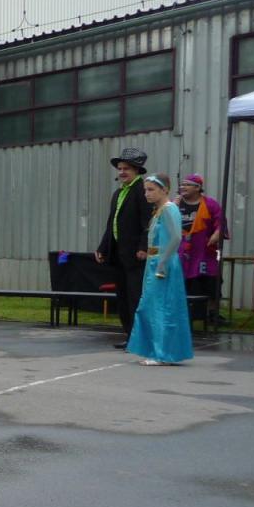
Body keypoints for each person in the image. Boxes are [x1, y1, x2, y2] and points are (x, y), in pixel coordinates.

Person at [128, 174, 194, 366]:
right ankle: (156, 350)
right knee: (150, 306)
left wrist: (163, 263)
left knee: (160, 307)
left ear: (164, 189)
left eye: (151, 189)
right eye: (145, 190)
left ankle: (162, 353)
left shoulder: (168, 209)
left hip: (162, 262)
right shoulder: (159, 210)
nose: (147, 194)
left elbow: (175, 238)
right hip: (154, 261)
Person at [95, 148, 154, 349]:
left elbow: (148, 222)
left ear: (136, 170)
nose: (122, 172)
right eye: (120, 169)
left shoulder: (142, 191)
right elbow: (112, 223)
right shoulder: (119, 193)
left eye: (126, 168)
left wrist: (144, 246)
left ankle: (141, 338)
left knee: (135, 297)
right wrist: (103, 247)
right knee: (123, 297)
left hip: (135, 254)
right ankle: (130, 335)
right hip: (120, 254)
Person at [176, 173, 229, 325]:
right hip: (182, 252)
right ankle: (183, 314)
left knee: (212, 281)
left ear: (198, 187)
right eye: (182, 184)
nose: (183, 187)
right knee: (183, 282)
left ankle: (212, 313)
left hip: (205, 252)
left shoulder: (211, 204)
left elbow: (221, 222)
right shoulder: (175, 204)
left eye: (187, 184)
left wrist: (217, 233)